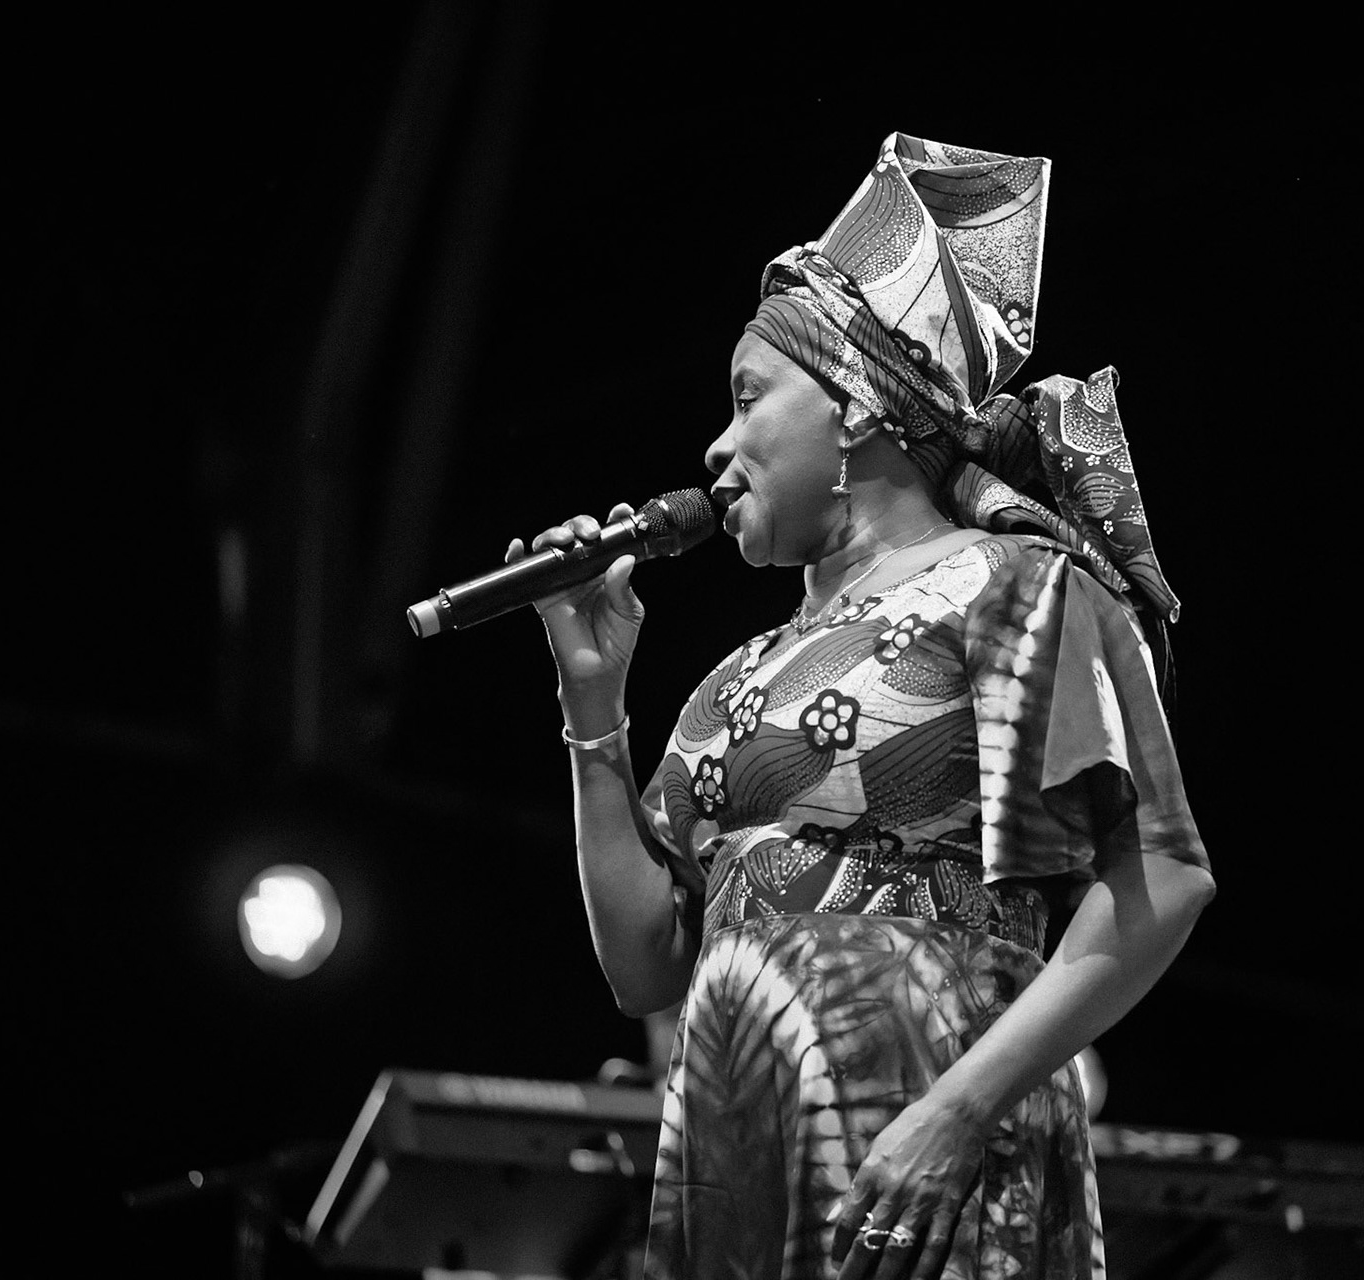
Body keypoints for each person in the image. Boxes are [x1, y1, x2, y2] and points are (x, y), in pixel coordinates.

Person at [507, 133, 1213, 1280]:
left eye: (747, 398)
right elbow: (644, 966)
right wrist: (592, 703)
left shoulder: (1021, 586)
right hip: (743, 1127)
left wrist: (961, 1109)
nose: (717, 442)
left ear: (857, 405)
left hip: (932, 1127)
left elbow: (1164, 881)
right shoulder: (733, 676)